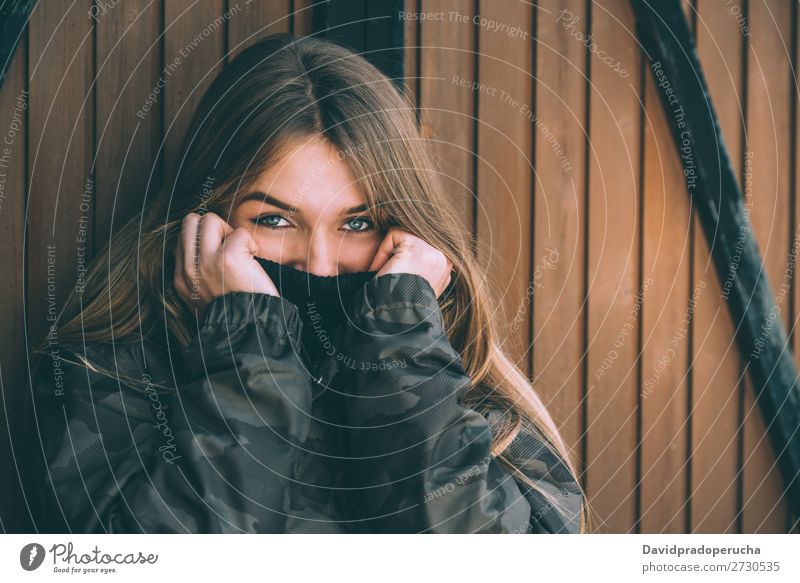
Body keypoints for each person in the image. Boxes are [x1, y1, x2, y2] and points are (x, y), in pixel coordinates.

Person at [24, 32, 591, 533]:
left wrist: (399, 346)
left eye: (358, 223)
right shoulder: (100, 381)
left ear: (406, 232)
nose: (319, 264)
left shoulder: (459, 380)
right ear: (203, 226)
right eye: (274, 220)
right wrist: (247, 347)